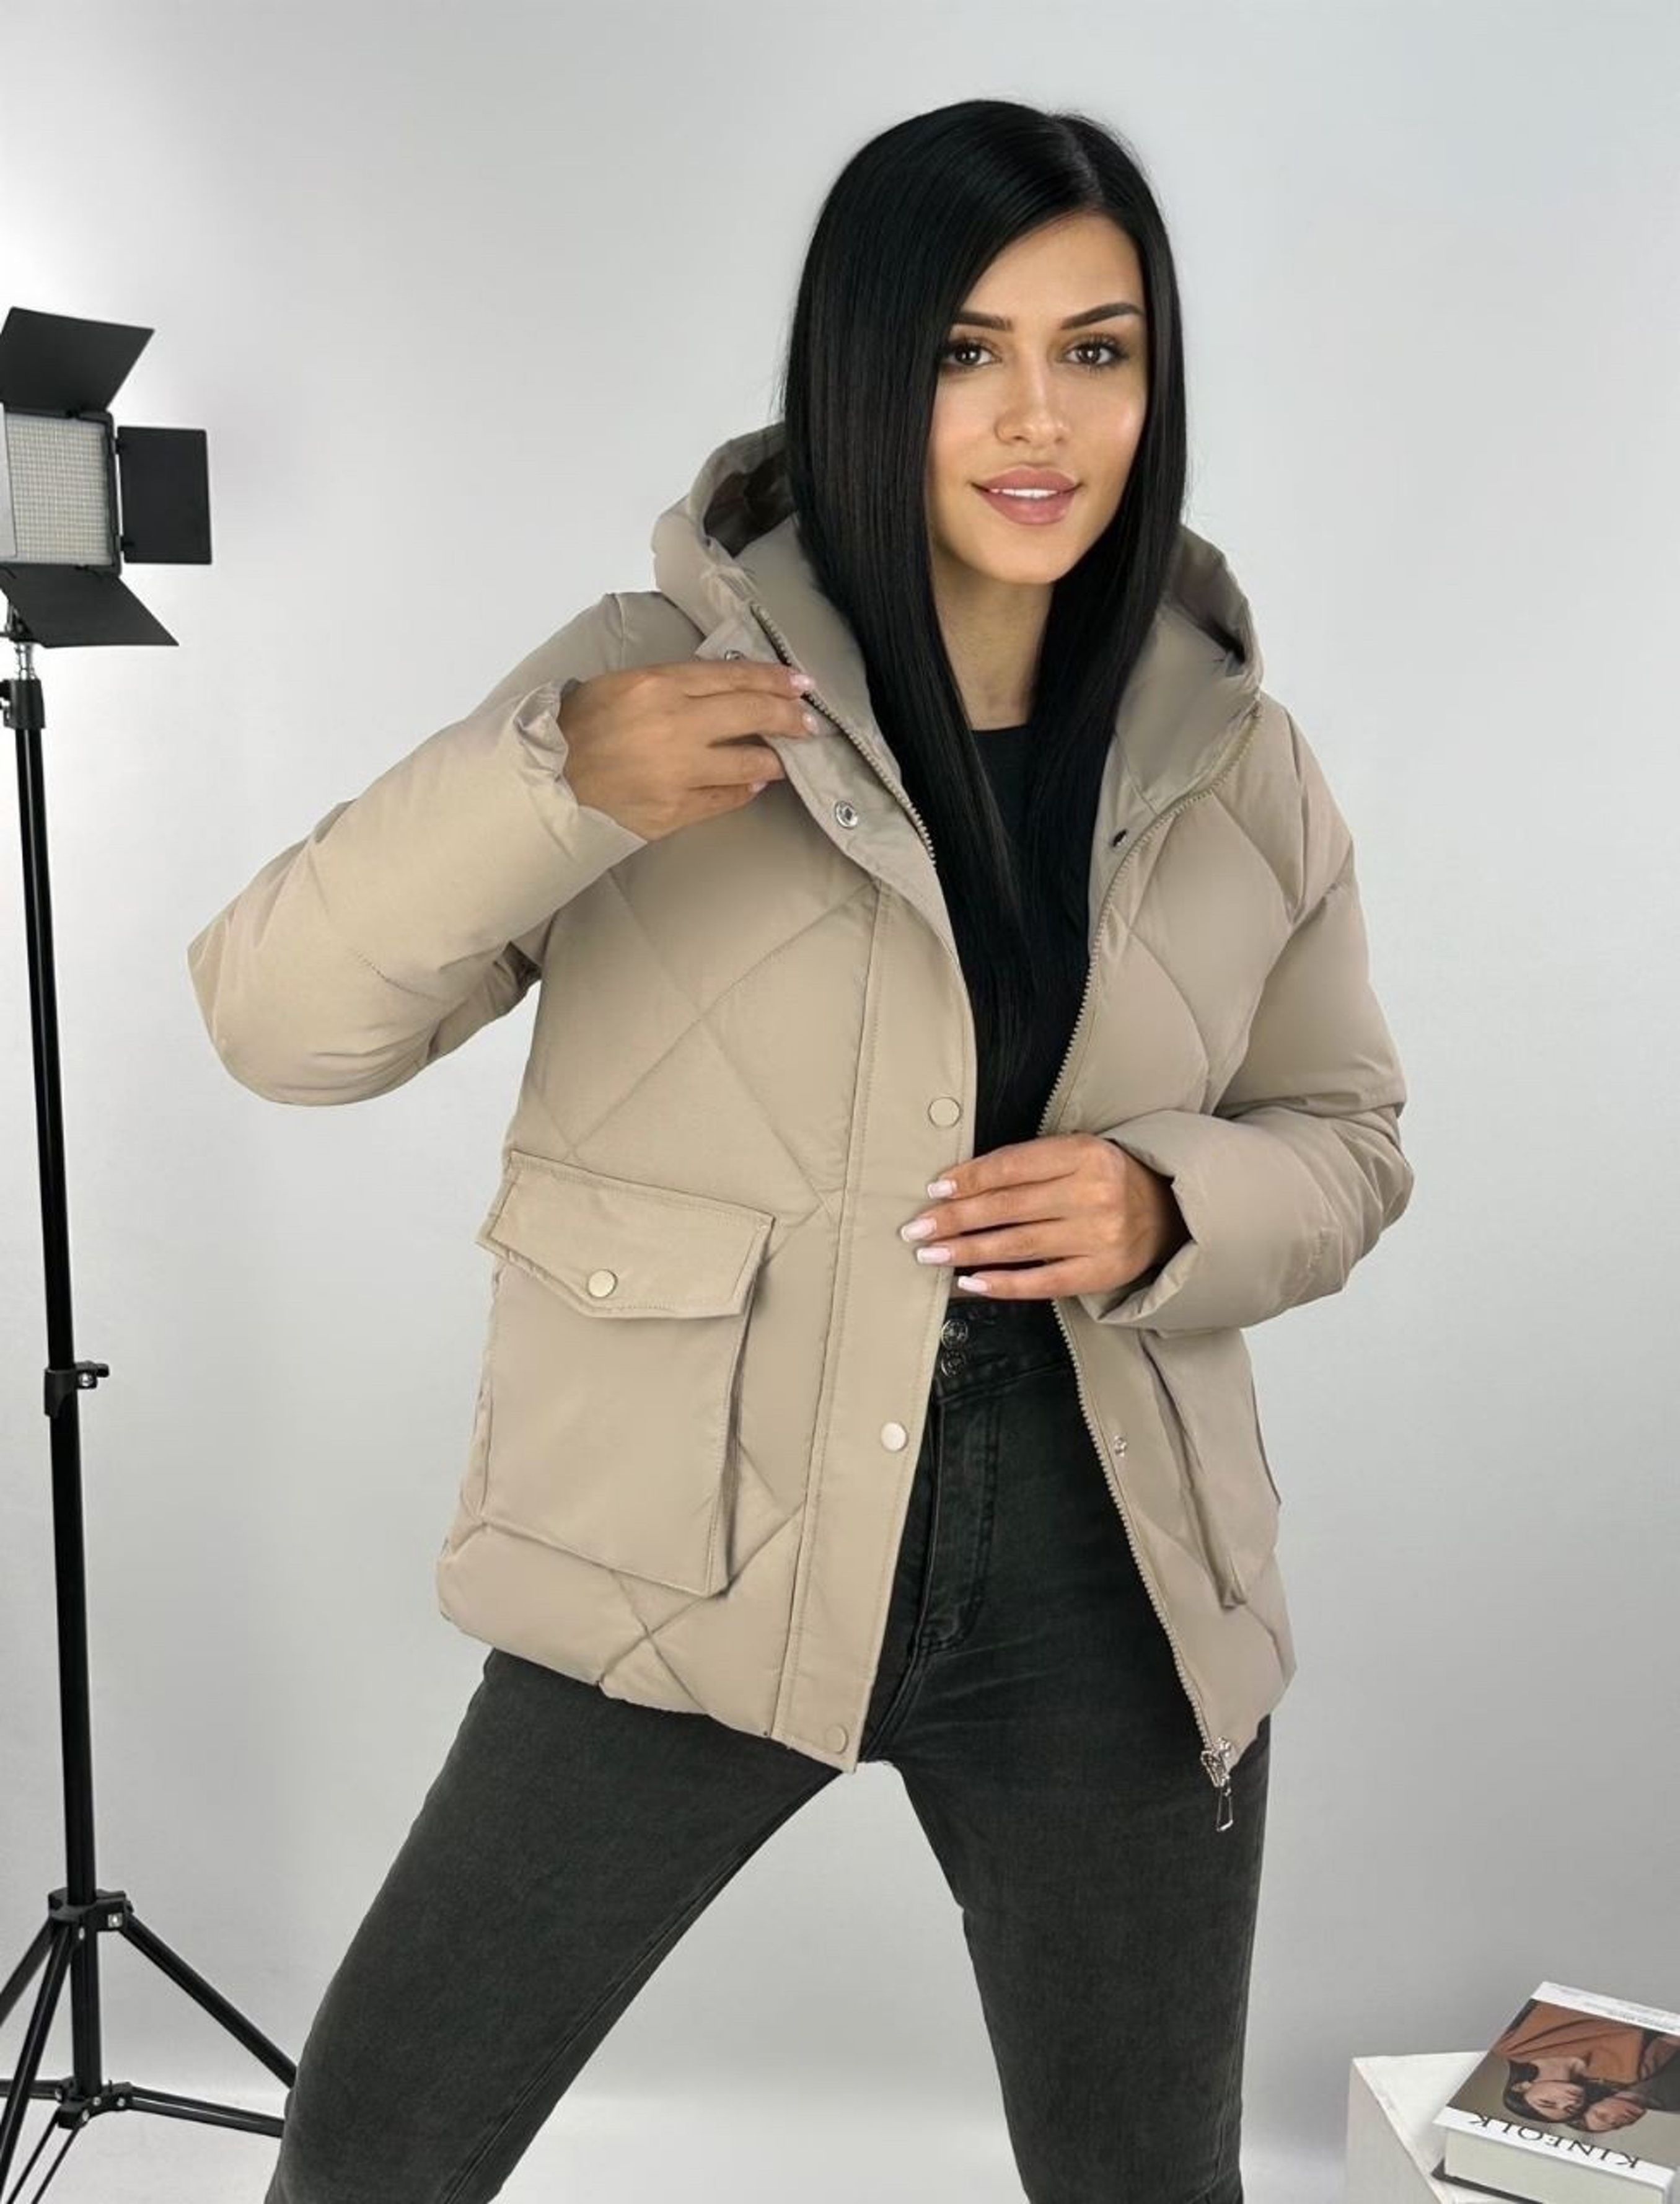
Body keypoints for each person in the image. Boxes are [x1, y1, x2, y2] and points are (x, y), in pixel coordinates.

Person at [188, 95, 1413, 2204]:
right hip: (693, 1531)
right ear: (862, 370)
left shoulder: (1237, 753)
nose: (1038, 419)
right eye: (965, 352)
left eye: (1097, 350)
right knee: (378, 2150)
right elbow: (278, 1022)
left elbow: (1351, 1134)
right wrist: (551, 783)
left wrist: (1170, 1203)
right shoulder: (645, 687)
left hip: (1105, 1565)